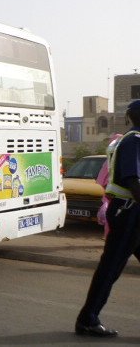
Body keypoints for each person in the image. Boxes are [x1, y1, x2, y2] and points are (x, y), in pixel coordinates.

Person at [75, 100, 140, 337]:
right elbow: (134, 182)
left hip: (131, 212)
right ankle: (87, 319)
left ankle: (87, 318)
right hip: (128, 212)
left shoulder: (130, 139)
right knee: (110, 268)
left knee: (110, 267)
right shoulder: (134, 140)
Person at [95, 134, 123, 239]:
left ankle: (109, 236)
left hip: (112, 191)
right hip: (116, 192)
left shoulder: (110, 160)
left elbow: (102, 179)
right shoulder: (117, 159)